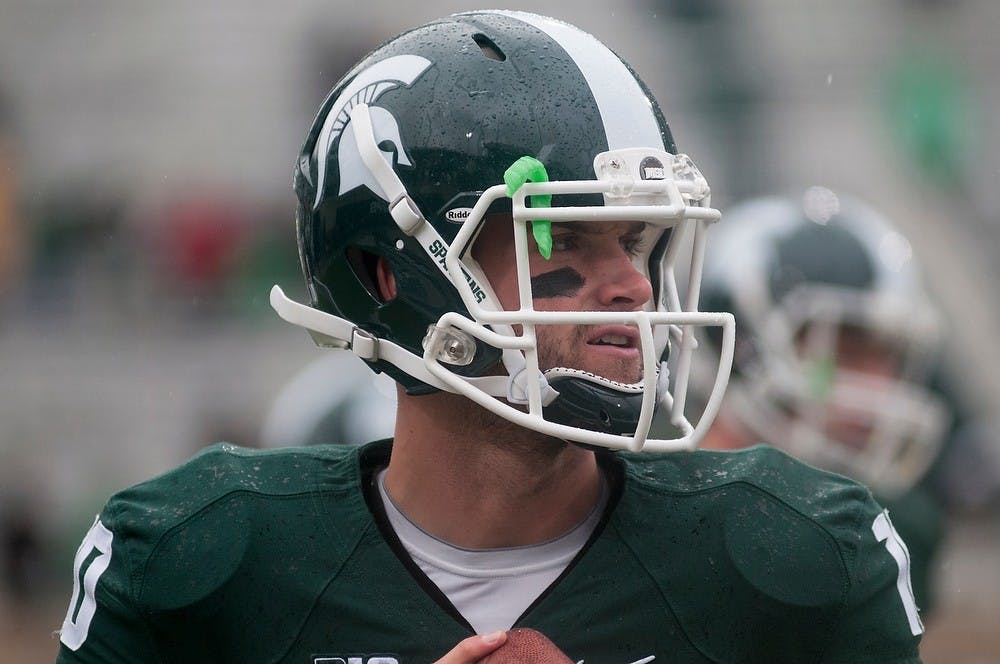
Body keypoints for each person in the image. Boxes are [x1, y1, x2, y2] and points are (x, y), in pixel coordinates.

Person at [56, 11, 925, 663]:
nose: (628, 284)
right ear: (387, 274)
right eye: (566, 241)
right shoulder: (192, 565)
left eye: (636, 242)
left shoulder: (798, 562)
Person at [696, 186, 950, 615]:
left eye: (887, 358)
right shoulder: (665, 519)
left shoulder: (898, 524)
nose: (878, 388)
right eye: (845, 351)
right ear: (743, 349)